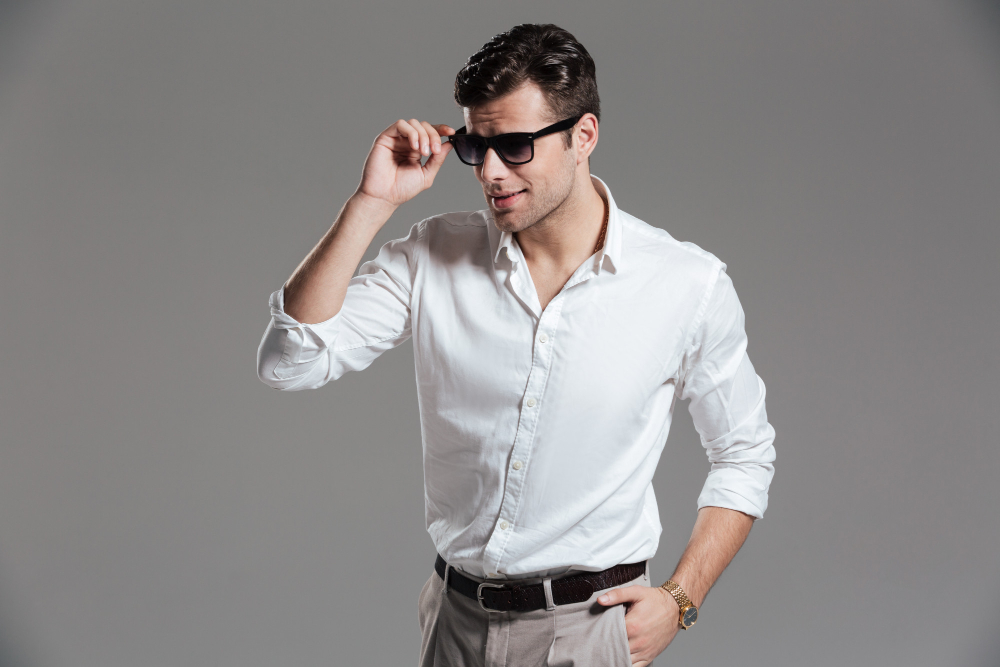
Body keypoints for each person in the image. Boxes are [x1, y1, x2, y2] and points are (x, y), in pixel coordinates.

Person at [257, 22, 776, 667]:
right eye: (477, 148)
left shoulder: (685, 284)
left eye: (516, 146)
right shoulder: (433, 254)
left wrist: (682, 596)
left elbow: (745, 454)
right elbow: (288, 362)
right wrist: (371, 203)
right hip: (454, 622)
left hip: (591, 630)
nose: (492, 173)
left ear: (583, 135)